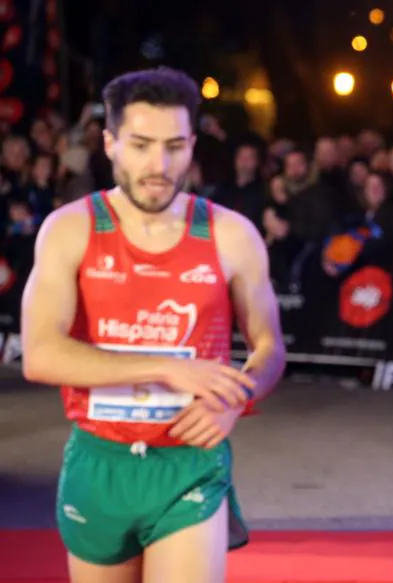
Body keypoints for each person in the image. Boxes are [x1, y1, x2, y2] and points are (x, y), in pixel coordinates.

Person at [20, 66, 286, 583]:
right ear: (110, 143)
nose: (158, 165)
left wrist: (238, 397)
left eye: (175, 146)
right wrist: (168, 368)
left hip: (189, 463)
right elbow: (40, 354)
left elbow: (269, 345)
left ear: (193, 145)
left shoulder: (232, 235)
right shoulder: (70, 229)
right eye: (140, 145)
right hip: (99, 460)